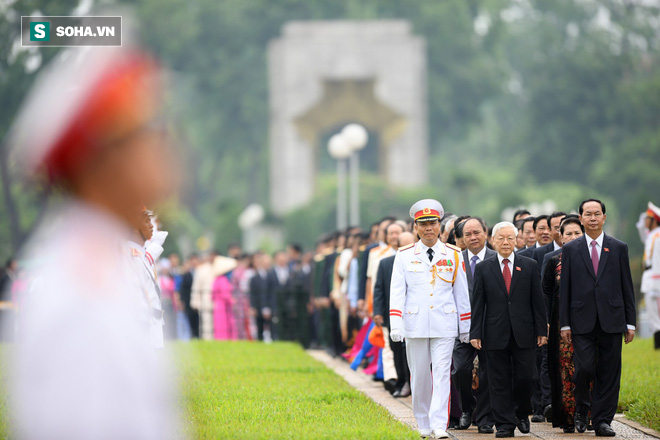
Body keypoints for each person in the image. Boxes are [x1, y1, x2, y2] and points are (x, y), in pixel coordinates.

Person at [8, 45, 178, 439]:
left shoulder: (92, 263)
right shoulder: (82, 295)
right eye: (146, 137)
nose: (164, 149)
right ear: (106, 161)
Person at [390, 199, 470, 439]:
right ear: (415, 227)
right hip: (415, 324)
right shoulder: (404, 255)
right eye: (423, 224)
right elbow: (397, 292)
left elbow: (461, 293)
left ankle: (438, 424)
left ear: (439, 225)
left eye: (433, 223)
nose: (428, 228)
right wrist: (396, 324)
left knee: (443, 374)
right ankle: (423, 422)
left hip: (444, 323)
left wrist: (465, 326)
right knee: (421, 376)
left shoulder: (453, 254)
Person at [559, 199, 636, 437]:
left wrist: (630, 322)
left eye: (597, 214)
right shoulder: (571, 249)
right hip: (581, 320)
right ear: (580, 219)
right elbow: (566, 290)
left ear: (604, 217)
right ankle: (582, 407)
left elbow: (627, 287)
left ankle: (602, 420)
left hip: (612, 319)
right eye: (587, 214)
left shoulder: (618, 247)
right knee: (582, 369)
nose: (592, 218)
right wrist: (565, 323)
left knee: (609, 371)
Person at [470, 222, 547, 438]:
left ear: (516, 240)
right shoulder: (484, 268)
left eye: (510, 238)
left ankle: (521, 412)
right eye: (501, 238)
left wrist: (542, 329)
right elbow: (478, 302)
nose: (505, 242)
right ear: (493, 241)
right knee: (498, 380)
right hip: (494, 332)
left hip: (524, 331)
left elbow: (537, 301)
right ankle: (504, 424)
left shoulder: (529, 265)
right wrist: (475, 333)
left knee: (527, 377)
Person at [452, 217, 496, 433]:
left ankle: (485, 417)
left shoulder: (497, 258)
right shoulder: (454, 260)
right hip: (462, 327)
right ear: (461, 238)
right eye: (467, 234)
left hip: (491, 326)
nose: (473, 237)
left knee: (488, 372)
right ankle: (467, 409)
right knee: (460, 369)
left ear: (485, 233)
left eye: (476, 232)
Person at [543, 216, 584, 433]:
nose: (573, 237)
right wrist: (546, 322)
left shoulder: (592, 259)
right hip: (560, 326)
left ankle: (588, 414)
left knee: (587, 369)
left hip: (588, 324)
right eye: (568, 233)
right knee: (563, 370)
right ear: (560, 236)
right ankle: (567, 416)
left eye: (577, 233)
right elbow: (546, 291)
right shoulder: (553, 260)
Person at [641, 201, 660, 349]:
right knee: (652, 311)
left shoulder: (657, 235)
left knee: (656, 311)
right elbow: (640, 227)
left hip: (655, 277)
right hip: (649, 276)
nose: (645, 221)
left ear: (654, 220)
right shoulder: (651, 235)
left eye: (648, 218)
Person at [212, 256, 238, 340]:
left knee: (220, 324)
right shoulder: (223, 280)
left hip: (219, 305)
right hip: (223, 306)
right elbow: (225, 294)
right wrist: (232, 301)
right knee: (224, 324)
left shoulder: (217, 279)